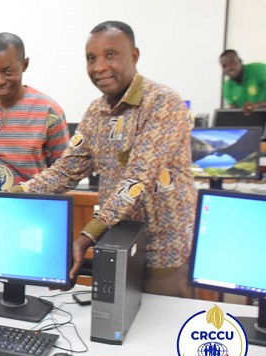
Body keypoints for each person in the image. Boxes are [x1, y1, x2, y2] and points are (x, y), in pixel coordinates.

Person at [12, 21, 197, 298]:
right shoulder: (96, 112)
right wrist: (15, 194)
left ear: (133, 56)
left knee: (163, 331)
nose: (99, 67)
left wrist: (88, 235)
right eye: (91, 58)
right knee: (115, 328)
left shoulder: (163, 103)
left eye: (110, 55)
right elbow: (66, 170)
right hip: (117, 243)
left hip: (162, 248)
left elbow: (137, 178)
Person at [0, 32, 69, 192]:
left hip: (32, 210)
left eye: (7, 71)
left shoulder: (49, 111)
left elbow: (63, 174)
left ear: (24, 65)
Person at [219, 49, 266, 114]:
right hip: (251, 121)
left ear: (240, 61)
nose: (229, 68)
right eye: (224, 66)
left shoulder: (260, 70)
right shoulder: (227, 87)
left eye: (232, 63)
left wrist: (257, 105)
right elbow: (234, 111)